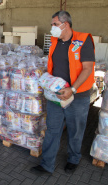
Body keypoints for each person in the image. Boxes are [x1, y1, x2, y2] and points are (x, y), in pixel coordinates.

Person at [31, 11, 95, 175]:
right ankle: (47, 164)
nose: (52, 28)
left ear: (65, 24)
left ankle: (74, 159)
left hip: (77, 95)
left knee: (75, 131)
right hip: (56, 95)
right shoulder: (54, 41)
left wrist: (72, 89)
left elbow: (87, 68)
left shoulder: (83, 40)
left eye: (54, 24)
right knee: (52, 130)